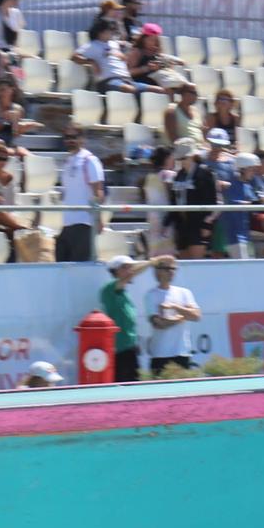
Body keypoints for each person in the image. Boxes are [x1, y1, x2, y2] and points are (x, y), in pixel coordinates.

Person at [99, 256, 156, 382]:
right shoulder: (109, 289)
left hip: (129, 350)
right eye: (126, 267)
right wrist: (152, 262)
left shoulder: (125, 294)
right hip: (118, 351)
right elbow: (129, 276)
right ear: (116, 271)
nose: (131, 271)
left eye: (131, 267)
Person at [143, 259, 202, 376]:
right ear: (158, 272)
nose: (171, 272)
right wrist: (183, 317)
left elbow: (196, 316)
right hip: (160, 354)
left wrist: (175, 307)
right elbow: (159, 324)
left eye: (173, 269)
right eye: (167, 269)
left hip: (182, 353)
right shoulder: (151, 295)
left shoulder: (184, 293)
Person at [56, 127, 105, 262]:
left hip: (84, 222)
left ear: (82, 139)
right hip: (68, 223)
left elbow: (99, 192)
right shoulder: (67, 161)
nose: (70, 140)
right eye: (67, 137)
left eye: (74, 137)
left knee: (79, 265)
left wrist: (98, 219)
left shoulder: (89, 160)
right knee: (62, 265)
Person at [167, 140, 219, 260]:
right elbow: (174, 200)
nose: (181, 162)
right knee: (184, 264)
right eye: (179, 159)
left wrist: (207, 225)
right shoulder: (179, 175)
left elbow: (213, 200)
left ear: (192, 157)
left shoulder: (205, 173)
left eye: (183, 158)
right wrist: (169, 222)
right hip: (182, 225)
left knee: (196, 262)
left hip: (198, 223)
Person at [130, 25, 190, 92]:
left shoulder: (156, 50)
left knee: (189, 89)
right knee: (165, 90)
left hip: (158, 81)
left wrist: (168, 63)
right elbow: (129, 72)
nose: (153, 42)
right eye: (150, 39)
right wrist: (147, 68)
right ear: (143, 39)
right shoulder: (137, 52)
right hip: (142, 81)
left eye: (155, 39)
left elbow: (165, 58)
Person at [162, 82, 206, 151]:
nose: (196, 96)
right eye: (193, 93)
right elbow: (173, 137)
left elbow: (202, 133)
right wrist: (190, 150)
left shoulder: (196, 111)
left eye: (196, 93)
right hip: (183, 152)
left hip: (200, 150)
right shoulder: (171, 111)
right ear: (183, 93)